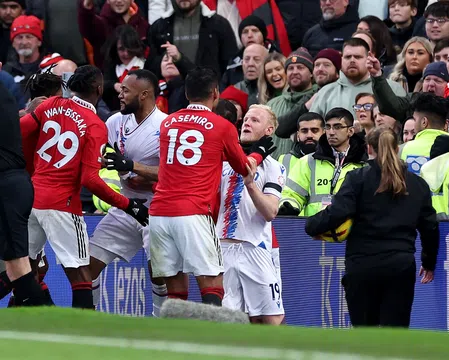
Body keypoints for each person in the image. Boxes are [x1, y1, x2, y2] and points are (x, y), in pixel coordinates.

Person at [19, 65, 149, 309]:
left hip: (32, 197)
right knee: (80, 274)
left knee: (25, 268)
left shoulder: (49, 105)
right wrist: (128, 204)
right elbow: (90, 180)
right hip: (62, 204)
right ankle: (84, 327)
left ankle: (21, 322)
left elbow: (20, 132)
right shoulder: (94, 124)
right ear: (99, 90)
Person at [148, 67, 276, 306]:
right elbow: (244, 168)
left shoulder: (167, 123)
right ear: (216, 93)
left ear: (186, 94)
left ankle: (178, 341)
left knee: (175, 290)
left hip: (159, 213)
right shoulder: (222, 126)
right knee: (213, 285)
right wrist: (259, 153)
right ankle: (210, 340)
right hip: (194, 212)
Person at [305, 127, 439, 328]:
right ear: (397, 148)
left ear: (369, 148)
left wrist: (311, 226)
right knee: (396, 335)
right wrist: (428, 262)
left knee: (365, 336)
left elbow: (338, 212)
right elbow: (430, 227)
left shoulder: (358, 179)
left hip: (362, 265)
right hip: (400, 266)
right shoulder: (417, 184)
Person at [88, 69, 168, 317]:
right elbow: (104, 156)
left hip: (156, 207)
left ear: (144, 95)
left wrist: (134, 167)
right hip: (125, 206)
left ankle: (161, 325)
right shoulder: (114, 122)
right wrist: (105, 161)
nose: (119, 95)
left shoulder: (165, 125)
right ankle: (89, 318)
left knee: (159, 271)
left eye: (125, 91)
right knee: (88, 266)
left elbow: (170, 172)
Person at [217, 104, 285, 325]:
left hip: (254, 248)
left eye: (255, 120)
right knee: (228, 319)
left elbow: (270, 212)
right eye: (245, 119)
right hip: (221, 248)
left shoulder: (274, 167)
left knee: (272, 318)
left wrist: (250, 185)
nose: (246, 122)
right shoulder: (222, 160)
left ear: (269, 130)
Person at [0, 80, 47, 307]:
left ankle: (46, 318)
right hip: (14, 186)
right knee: (15, 266)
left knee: (18, 266)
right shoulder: (6, 96)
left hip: (8, 188)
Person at [279, 107, 367, 217]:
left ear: (350, 131)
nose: (331, 132)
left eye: (337, 127)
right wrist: (288, 206)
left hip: (353, 230)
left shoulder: (364, 163)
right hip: (316, 229)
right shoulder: (308, 161)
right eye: (328, 127)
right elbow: (292, 194)